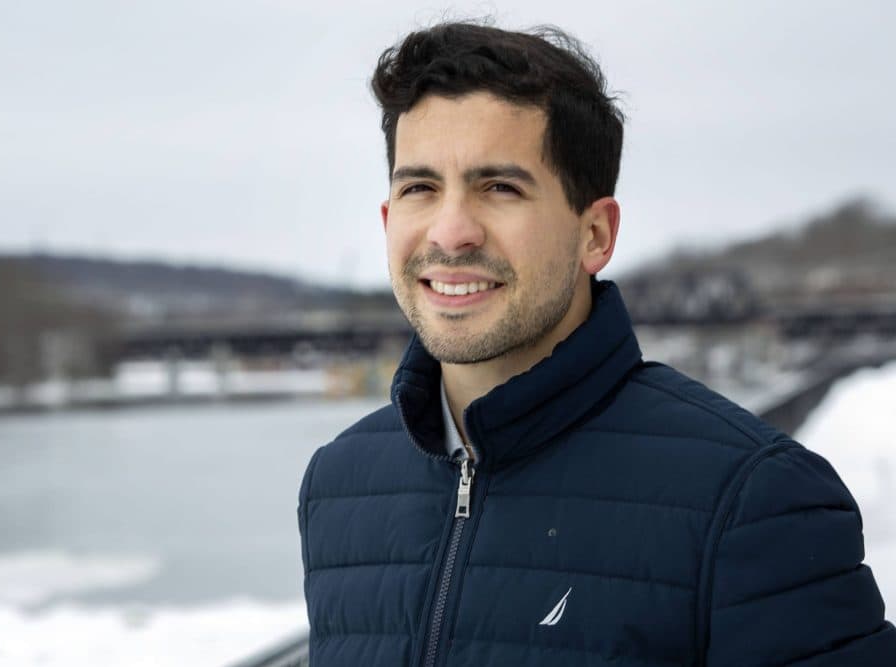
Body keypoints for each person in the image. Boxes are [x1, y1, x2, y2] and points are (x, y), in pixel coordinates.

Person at [297, 21, 896, 666]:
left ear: (596, 234)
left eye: (500, 187)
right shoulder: (339, 486)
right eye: (419, 188)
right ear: (389, 219)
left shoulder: (752, 499)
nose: (452, 230)